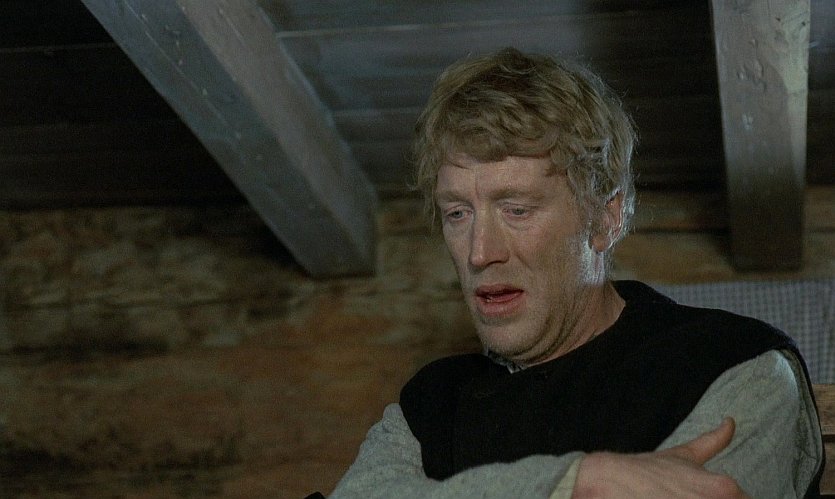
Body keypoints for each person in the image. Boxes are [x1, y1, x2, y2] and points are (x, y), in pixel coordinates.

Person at [327, 48, 823, 498]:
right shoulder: (428, 405)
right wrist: (576, 481)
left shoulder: (734, 367)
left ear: (604, 219)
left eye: (517, 209)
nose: (479, 253)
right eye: (458, 213)